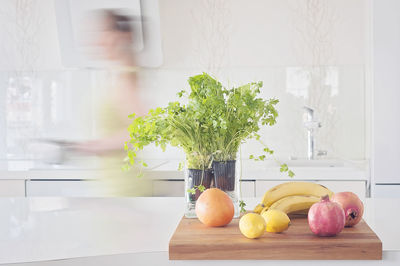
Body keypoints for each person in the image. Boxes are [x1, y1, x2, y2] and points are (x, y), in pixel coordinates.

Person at [73, 9, 151, 196]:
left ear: (121, 36)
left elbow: (141, 130)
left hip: (123, 185)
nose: (97, 40)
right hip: (112, 182)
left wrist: (92, 147)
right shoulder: (118, 72)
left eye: (103, 32)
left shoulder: (126, 75)